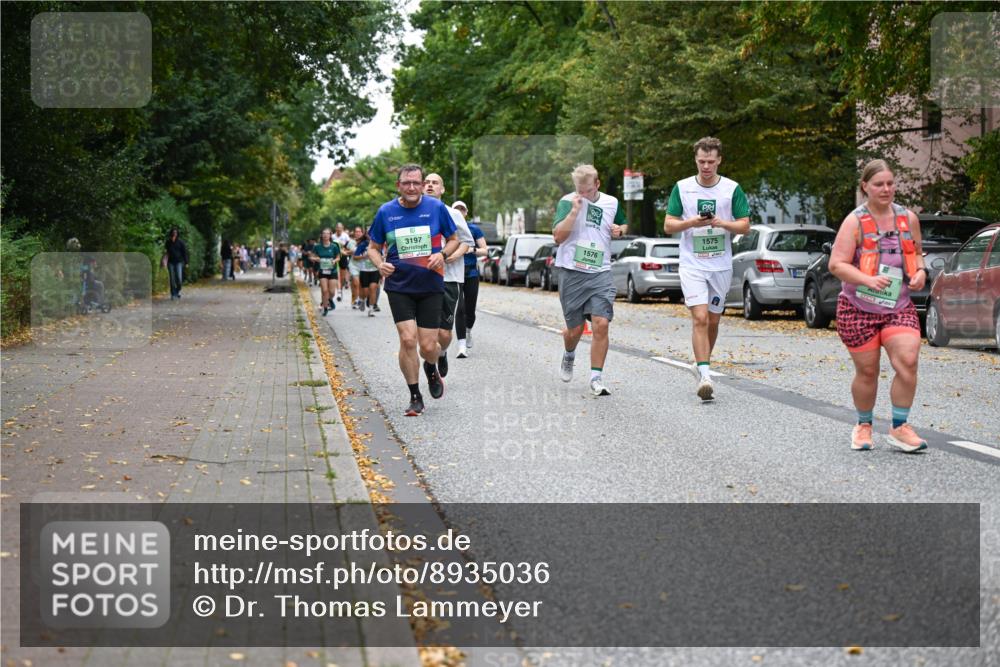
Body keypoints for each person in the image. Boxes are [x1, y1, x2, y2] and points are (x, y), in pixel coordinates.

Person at [829, 159, 928, 453]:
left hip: (898, 307)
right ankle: (863, 425)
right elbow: (837, 264)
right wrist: (866, 280)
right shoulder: (855, 221)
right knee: (868, 372)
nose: (886, 189)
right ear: (865, 187)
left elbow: (918, 254)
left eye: (890, 183)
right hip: (857, 309)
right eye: (878, 184)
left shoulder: (908, 218)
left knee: (908, 361)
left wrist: (921, 272)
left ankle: (900, 427)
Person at [367, 164, 460, 416]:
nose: (411, 187)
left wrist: (442, 255)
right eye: (406, 183)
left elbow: (454, 240)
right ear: (398, 185)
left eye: (416, 183)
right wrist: (380, 264)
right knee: (408, 340)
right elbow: (373, 247)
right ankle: (415, 395)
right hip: (399, 286)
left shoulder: (436, 208)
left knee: (429, 346)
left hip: (430, 285)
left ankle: (431, 367)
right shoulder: (386, 212)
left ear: (421, 185)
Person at [664, 136, 750, 401]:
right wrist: (691, 223)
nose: (706, 166)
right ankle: (704, 375)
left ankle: (701, 364)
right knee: (699, 318)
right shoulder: (683, 188)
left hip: (720, 265)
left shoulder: (731, 189)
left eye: (711, 161)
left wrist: (721, 223)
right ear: (696, 160)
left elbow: (744, 225)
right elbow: (669, 225)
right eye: (701, 161)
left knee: (713, 320)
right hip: (692, 264)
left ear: (719, 160)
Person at [552, 164, 628, 397]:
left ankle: (596, 377)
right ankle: (569, 353)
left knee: (601, 323)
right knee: (574, 331)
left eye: (586, 191)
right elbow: (557, 237)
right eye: (579, 190)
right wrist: (574, 212)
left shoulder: (611, 202)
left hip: (600, 271)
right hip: (572, 272)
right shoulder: (567, 202)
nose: (582, 195)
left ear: (597, 184)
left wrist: (620, 230)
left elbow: (623, 223)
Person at [422, 173, 473, 378]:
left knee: (443, 333)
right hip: (423, 277)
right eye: (426, 182)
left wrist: (452, 255)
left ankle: (441, 353)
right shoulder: (416, 212)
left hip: (449, 277)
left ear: (442, 189)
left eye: (435, 183)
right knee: (426, 331)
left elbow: (467, 241)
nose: (430, 186)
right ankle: (430, 361)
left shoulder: (453, 213)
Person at [453, 201, 488, 358]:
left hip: (471, 273)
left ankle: (468, 331)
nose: (459, 212)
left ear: (466, 213)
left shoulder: (474, 229)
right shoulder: (449, 229)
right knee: (459, 309)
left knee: (470, 310)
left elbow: (485, 250)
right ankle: (461, 346)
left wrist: (471, 249)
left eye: (462, 209)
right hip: (455, 273)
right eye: (456, 209)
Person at [309, 228, 340, 316]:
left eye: (327, 234)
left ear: (330, 236)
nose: (326, 235)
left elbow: (338, 257)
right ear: (322, 235)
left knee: (332, 292)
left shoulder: (334, 246)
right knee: (324, 290)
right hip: (322, 271)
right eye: (324, 233)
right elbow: (311, 257)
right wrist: (316, 259)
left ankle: (329, 300)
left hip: (332, 270)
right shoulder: (317, 246)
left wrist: (334, 261)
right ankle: (325, 307)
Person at [353, 227, 380, 317]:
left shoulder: (378, 244)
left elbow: (382, 256)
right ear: (366, 235)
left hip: (375, 270)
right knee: (365, 291)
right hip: (364, 270)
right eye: (369, 233)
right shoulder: (363, 244)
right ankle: (362, 300)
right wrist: (364, 257)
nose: (370, 235)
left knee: (373, 289)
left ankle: (371, 309)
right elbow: (355, 257)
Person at [165, 228, 188, 299]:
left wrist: (186, 262)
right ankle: (173, 294)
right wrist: (164, 261)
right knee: (172, 279)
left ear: (177, 233)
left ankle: (177, 291)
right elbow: (166, 252)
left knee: (179, 279)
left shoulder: (181, 242)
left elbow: (184, 252)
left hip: (179, 262)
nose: (174, 233)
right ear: (171, 233)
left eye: (176, 232)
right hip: (170, 262)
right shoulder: (168, 242)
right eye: (173, 232)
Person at [334, 223, 353, 303]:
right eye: (337, 227)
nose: (339, 229)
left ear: (343, 228)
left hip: (344, 257)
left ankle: (340, 289)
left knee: (342, 276)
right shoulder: (332, 236)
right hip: (335, 257)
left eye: (340, 228)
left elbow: (349, 246)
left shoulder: (345, 236)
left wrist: (345, 250)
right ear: (335, 228)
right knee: (337, 275)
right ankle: (338, 291)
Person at [349, 225, 365, 309]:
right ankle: (355, 300)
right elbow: (350, 252)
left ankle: (358, 299)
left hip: (363, 265)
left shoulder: (365, 242)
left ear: (362, 233)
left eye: (359, 232)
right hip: (353, 265)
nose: (358, 233)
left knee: (360, 285)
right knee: (356, 283)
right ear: (354, 233)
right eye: (356, 232)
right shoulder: (351, 242)